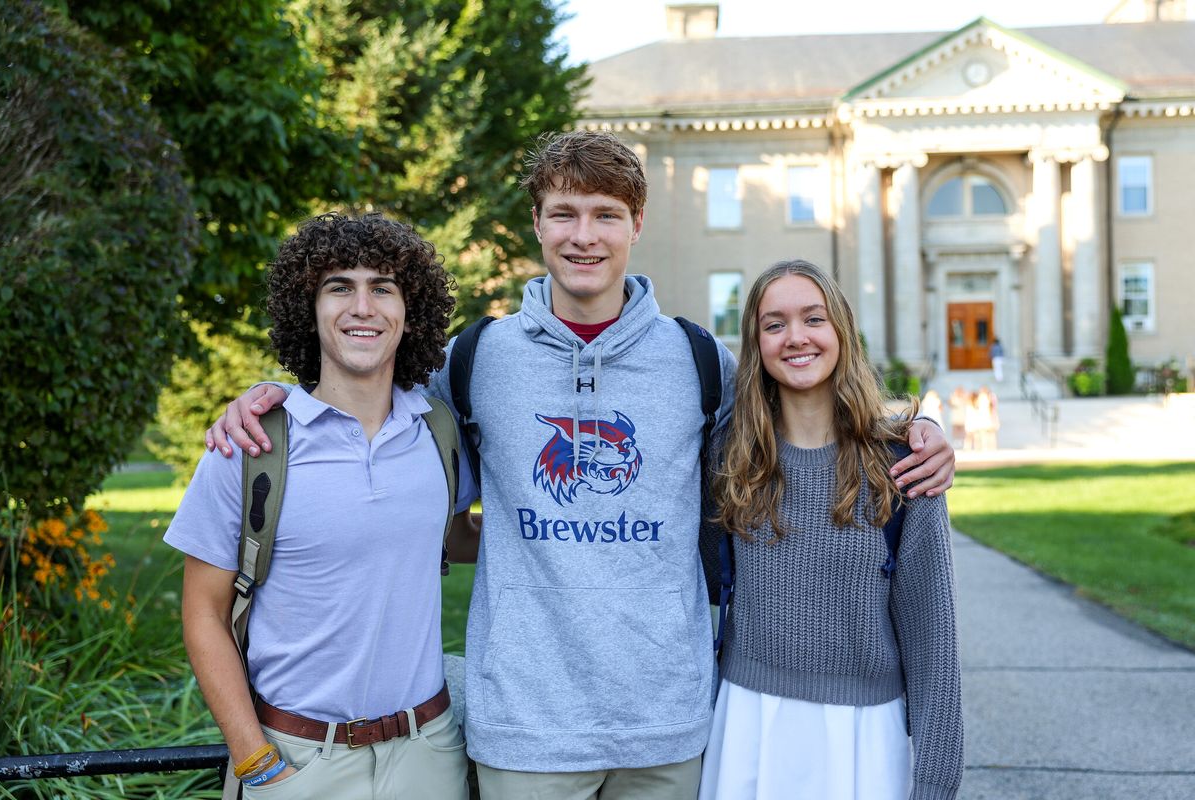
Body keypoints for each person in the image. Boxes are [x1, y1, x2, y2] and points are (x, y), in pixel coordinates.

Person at [207, 131, 957, 799]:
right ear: (536, 225)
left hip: (667, 725)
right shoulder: (477, 359)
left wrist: (919, 426)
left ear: (637, 225)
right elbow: (364, 404)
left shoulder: (698, 360)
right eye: (564, 213)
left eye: (605, 214)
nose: (584, 236)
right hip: (527, 731)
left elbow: (795, 425)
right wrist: (273, 395)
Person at [166, 213, 471, 799]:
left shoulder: (437, 432)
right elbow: (203, 612)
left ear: (410, 313)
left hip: (430, 754)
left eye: (383, 287)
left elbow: (456, 536)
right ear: (309, 309)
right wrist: (255, 761)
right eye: (339, 287)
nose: (363, 306)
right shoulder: (249, 446)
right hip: (298, 761)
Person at [699, 260, 962, 800]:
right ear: (756, 344)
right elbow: (696, 579)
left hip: (862, 734)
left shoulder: (902, 465)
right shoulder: (729, 460)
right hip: (749, 719)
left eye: (813, 318)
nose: (795, 337)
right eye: (774, 324)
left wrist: (937, 777)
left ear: (841, 329)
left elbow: (932, 636)